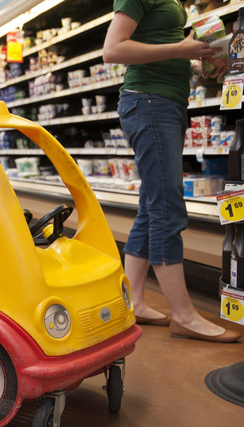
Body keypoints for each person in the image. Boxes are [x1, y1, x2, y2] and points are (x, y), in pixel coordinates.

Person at [103, 0, 240, 342]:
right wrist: (181, 47)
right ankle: (183, 315)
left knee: (152, 207)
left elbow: (157, 49)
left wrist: (194, 64)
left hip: (165, 102)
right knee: (167, 207)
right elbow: (113, 49)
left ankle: (134, 300)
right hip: (149, 102)